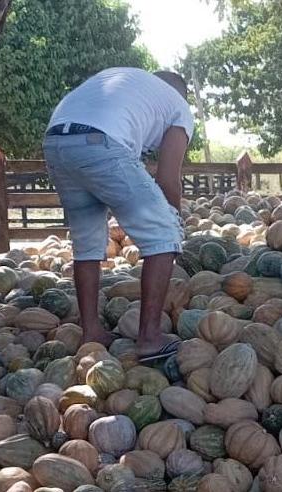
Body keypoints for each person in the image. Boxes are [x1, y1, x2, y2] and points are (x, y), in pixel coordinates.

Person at [43, 68, 193, 361]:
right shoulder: (179, 106)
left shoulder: (130, 83)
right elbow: (167, 178)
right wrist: (173, 220)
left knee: (86, 242)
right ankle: (149, 338)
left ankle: (91, 332)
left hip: (56, 141)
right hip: (101, 142)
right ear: (181, 95)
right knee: (163, 234)